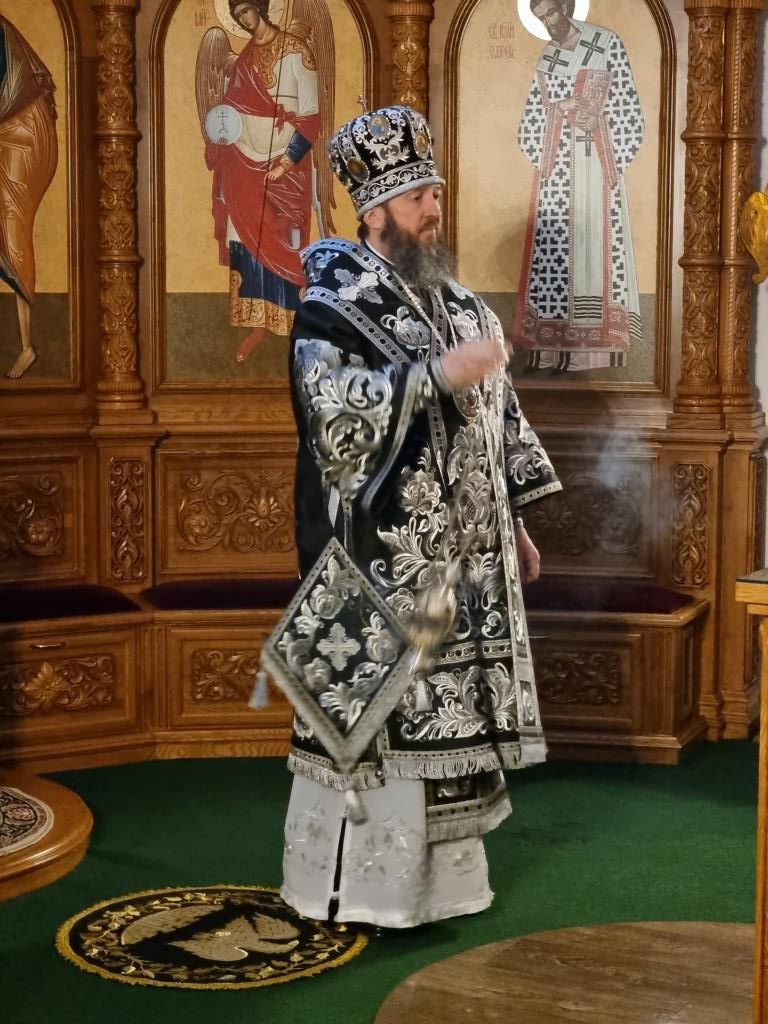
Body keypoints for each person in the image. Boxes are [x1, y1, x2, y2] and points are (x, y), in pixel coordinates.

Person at [279, 105, 562, 929]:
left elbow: (496, 418)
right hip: (377, 563)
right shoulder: (334, 304)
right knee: (381, 727)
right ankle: (356, 891)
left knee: (453, 719)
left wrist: (514, 521)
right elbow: (330, 412)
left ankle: (443, 891)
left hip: (465, 569)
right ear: (374, 213)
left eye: (435, 193)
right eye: (416, 199)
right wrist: (433, 376)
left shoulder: (467, 307)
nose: (434, 209)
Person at [195, 0, 334, 364]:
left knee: (282, 234)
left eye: (246, 11)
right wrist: (220, 132)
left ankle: (288, 318)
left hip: (284, 167)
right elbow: (230, 110)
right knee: (243, 238)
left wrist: (286, 162)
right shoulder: (243, 59)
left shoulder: (298, 52)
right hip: (242, 162)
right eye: (237, 15)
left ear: (261, 8)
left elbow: (310, 118)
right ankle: (256, 321)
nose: (243, 20)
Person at [515, 0, 644, 373]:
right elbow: (530, 122)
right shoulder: (548, 58)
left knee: (597, 254)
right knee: (555, 257)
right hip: (558, 174)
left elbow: (630, 111)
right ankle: (553, 351)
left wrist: (598, 121)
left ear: (565, 6)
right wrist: (559, 110)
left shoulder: (606, 43)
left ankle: (596, 354)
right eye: (540, 18)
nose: (548, 23)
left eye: (551, 13)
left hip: (599, 170)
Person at [0, 15, 58, 381]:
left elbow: (12, 88)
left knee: (12, 229)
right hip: (10, 130)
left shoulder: (2, 36)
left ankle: (26, 345)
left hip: (21, 133)